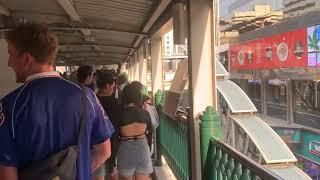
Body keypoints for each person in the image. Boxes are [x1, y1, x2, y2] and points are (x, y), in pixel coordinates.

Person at [0, 23, 114, 180]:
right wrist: (76, 172)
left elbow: (7, 172)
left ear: (26, 59)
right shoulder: (86, 96)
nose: (9, 63)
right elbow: (104, 151)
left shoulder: (8, 106)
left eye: (11, 54)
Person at [117, 83, 153, 180]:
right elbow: (150, 134)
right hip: (142, 149)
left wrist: (112, 162)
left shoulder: (119, 114)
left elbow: (115, 137)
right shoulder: (145, 113)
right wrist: (148, 149)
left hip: (125, 150)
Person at [95, 71, 120, 180]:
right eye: (112, 87)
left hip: (94, 146)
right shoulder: (114, 103)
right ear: (106, 86)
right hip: (111, 145)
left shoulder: (92, 100)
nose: (113, 90)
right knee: (111, 173)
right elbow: (117, 126)